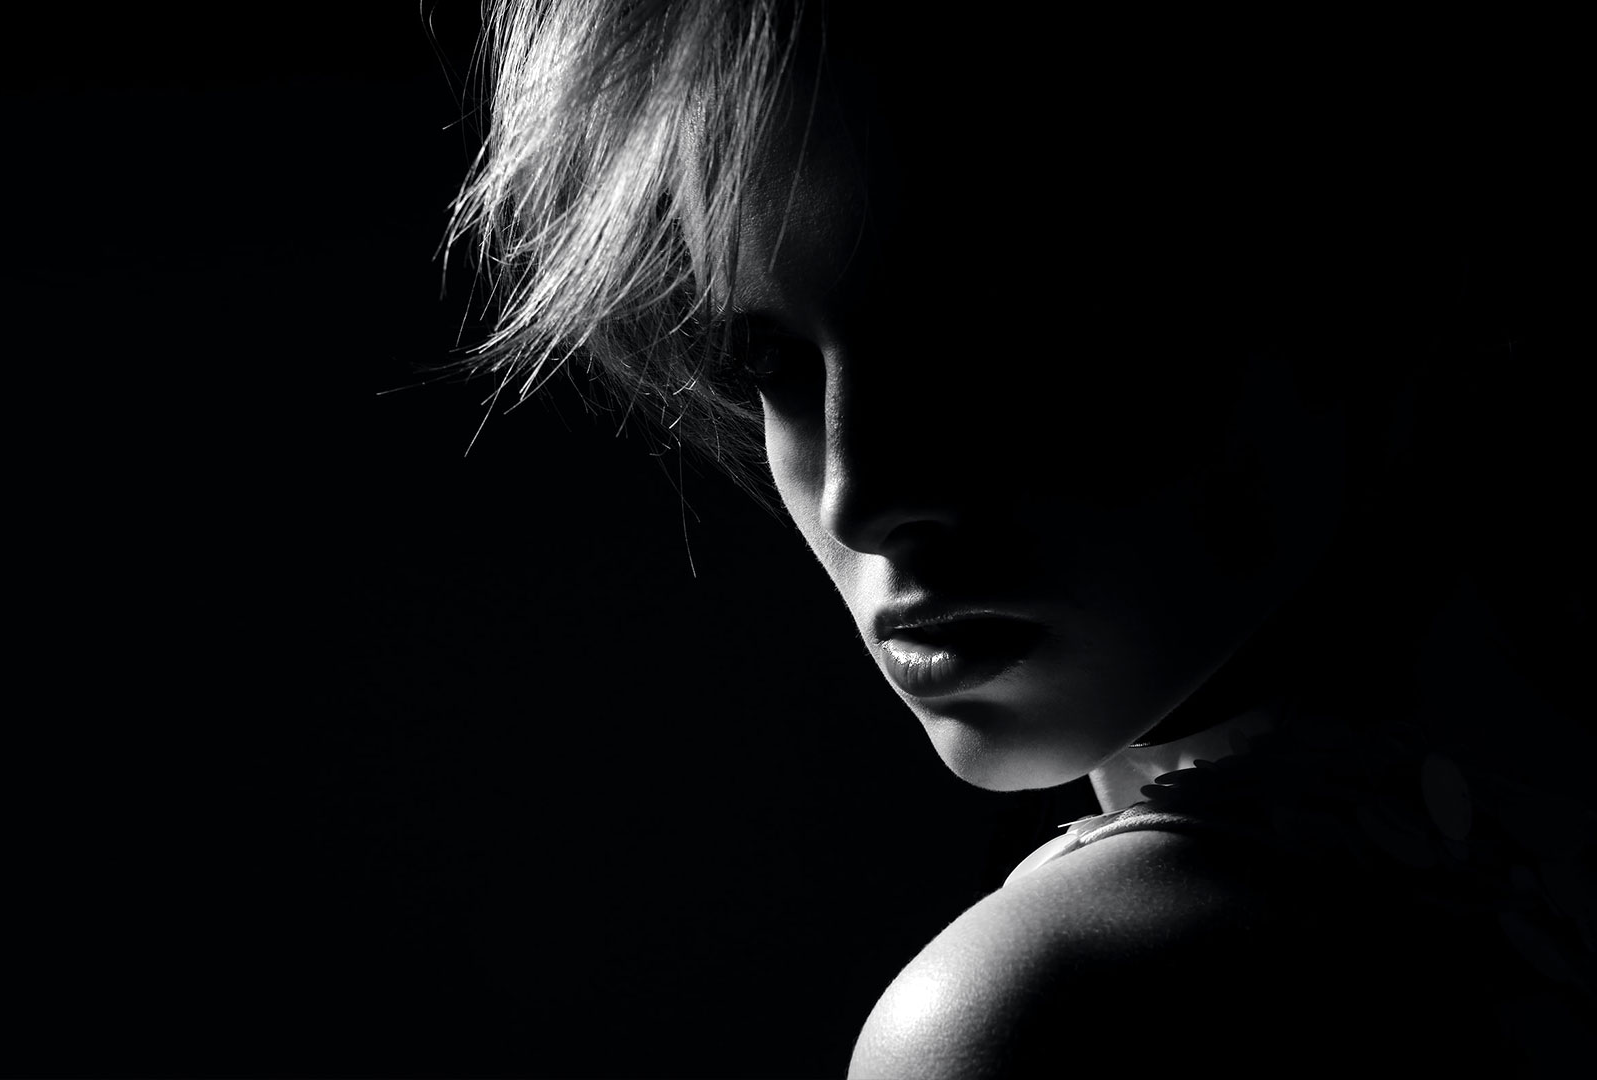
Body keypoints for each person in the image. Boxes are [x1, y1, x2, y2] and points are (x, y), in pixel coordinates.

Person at [442, 2, 1595, 1075]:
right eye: (768, 359)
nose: (857, 495)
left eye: (983, 325)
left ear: (1374, 275)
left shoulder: (1042, 1009)